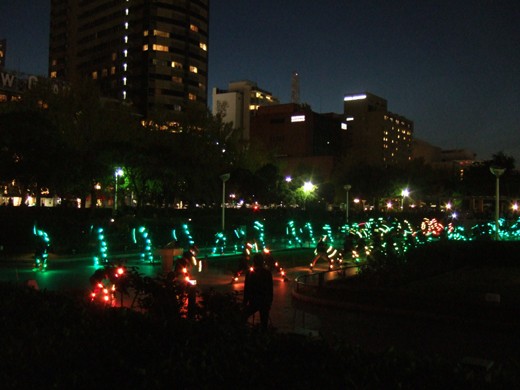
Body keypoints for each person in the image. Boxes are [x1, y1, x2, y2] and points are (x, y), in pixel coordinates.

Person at [243, 253, 273, 331]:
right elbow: (270, 289)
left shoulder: (250, 273)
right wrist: (269, 302)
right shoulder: (267, 273)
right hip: (264, 301)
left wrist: (245, 302)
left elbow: (247, 289)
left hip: (254, 301)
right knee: (264, 322)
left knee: (243, 316)